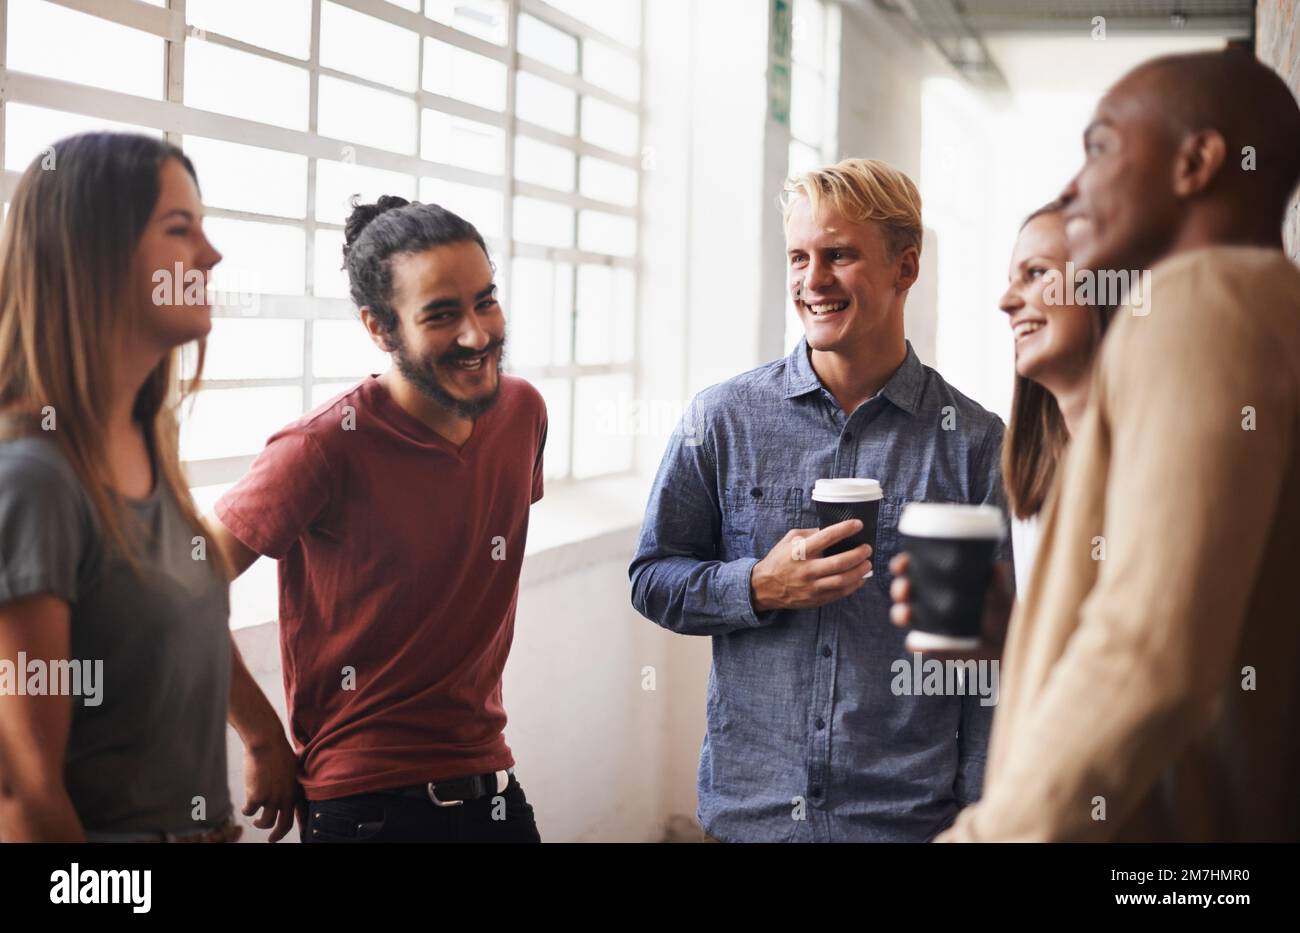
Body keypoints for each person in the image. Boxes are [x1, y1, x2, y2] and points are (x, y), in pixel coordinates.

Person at [914, 49, 1300, 841]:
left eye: (1098, 147)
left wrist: (989, 835)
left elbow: (1149, 653)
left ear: (1196, 162)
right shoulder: (1266, 305)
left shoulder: (1199, 301)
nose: (1069, 186)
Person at [629, 158, 1013, 842]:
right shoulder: (722, 418)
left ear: (906, 268)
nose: (813, 281)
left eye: (839, 254)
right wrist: (757, 585)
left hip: (906, 823)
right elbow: (653, 579)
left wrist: (980, 813)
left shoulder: (973, 443)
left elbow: (987, 661)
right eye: (799, 256)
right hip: (753, 817)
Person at [207, 196, 548, 843]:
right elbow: (179, 586)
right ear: (380, 327)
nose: (477, 333)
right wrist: (259, 737)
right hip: (365, 809)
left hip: (492, 790)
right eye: (442, 314)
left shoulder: (523, 413)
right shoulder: (321, 447)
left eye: (486, 299)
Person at [0, 132, 288, 842]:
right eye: (180, 228)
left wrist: (262, 734)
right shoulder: (34, 479)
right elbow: (25, 795)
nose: (211, 255)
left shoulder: (148, 439)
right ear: (94, 254)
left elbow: (183, 615)